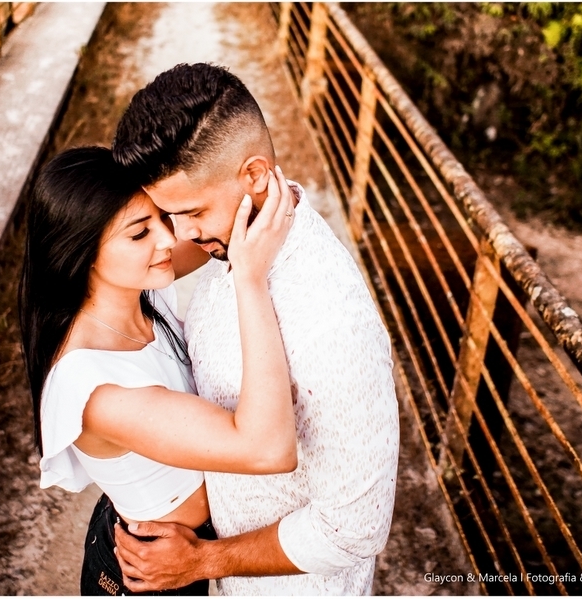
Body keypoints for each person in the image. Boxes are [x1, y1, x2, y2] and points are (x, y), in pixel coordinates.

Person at [110, 63, 400, 595]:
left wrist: (203, 562)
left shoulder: (330, 322)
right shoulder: (235, 248)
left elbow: (354, 530)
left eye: (192, 212)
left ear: (256, 176)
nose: (181, 235)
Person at [18, 145, 299, 595]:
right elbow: (268, 449)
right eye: (139, 233)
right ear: (82, 252)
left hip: (191, 548)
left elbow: (217, 232)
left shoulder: (138, 287)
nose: (169, 240)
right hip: (154, 573)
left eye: (161, 219)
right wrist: (250, 280)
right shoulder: (96, 390)